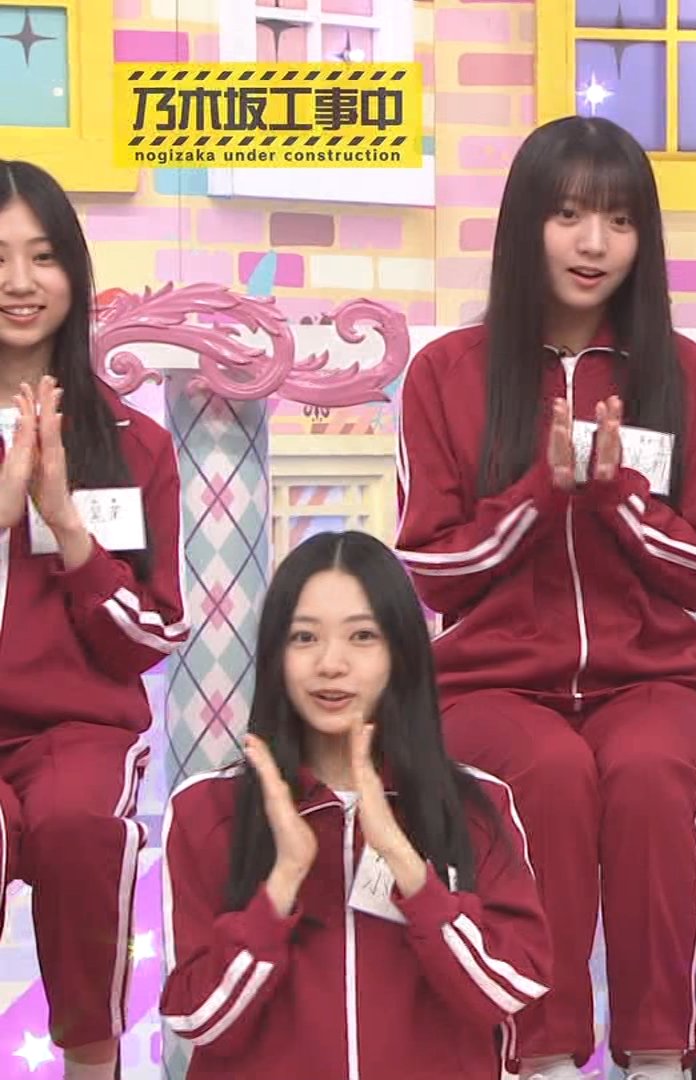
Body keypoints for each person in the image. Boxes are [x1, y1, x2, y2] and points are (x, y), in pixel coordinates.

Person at [393, 115, 696, 1080]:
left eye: (620, 221)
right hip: (492, 686)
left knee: (650, 776)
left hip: (653, 682)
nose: (595, 244)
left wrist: (617, 497)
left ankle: (659, 1056)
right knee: (545, 775)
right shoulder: (447, 374)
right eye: (569, 216)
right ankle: (541, 1058)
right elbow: (433, 570)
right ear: (525, 226)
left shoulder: (685, 374)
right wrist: (539, 498)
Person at [158, 531, 551, 1077]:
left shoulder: (477, 803)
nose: (331, 663)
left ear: (401, 652)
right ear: (275, 655)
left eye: (362, 636)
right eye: (304, 637)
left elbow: (506, 991)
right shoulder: (206, 807)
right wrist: (283, 880)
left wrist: (407, 867)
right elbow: (200, 1020)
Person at [0, 158, 187, 1080]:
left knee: (81, 827)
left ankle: (92, 1060)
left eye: (42, 256)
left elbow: (148, 638)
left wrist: (67, 526)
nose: (19, 281)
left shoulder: (133, 444)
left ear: (74, 272)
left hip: (76, 730)